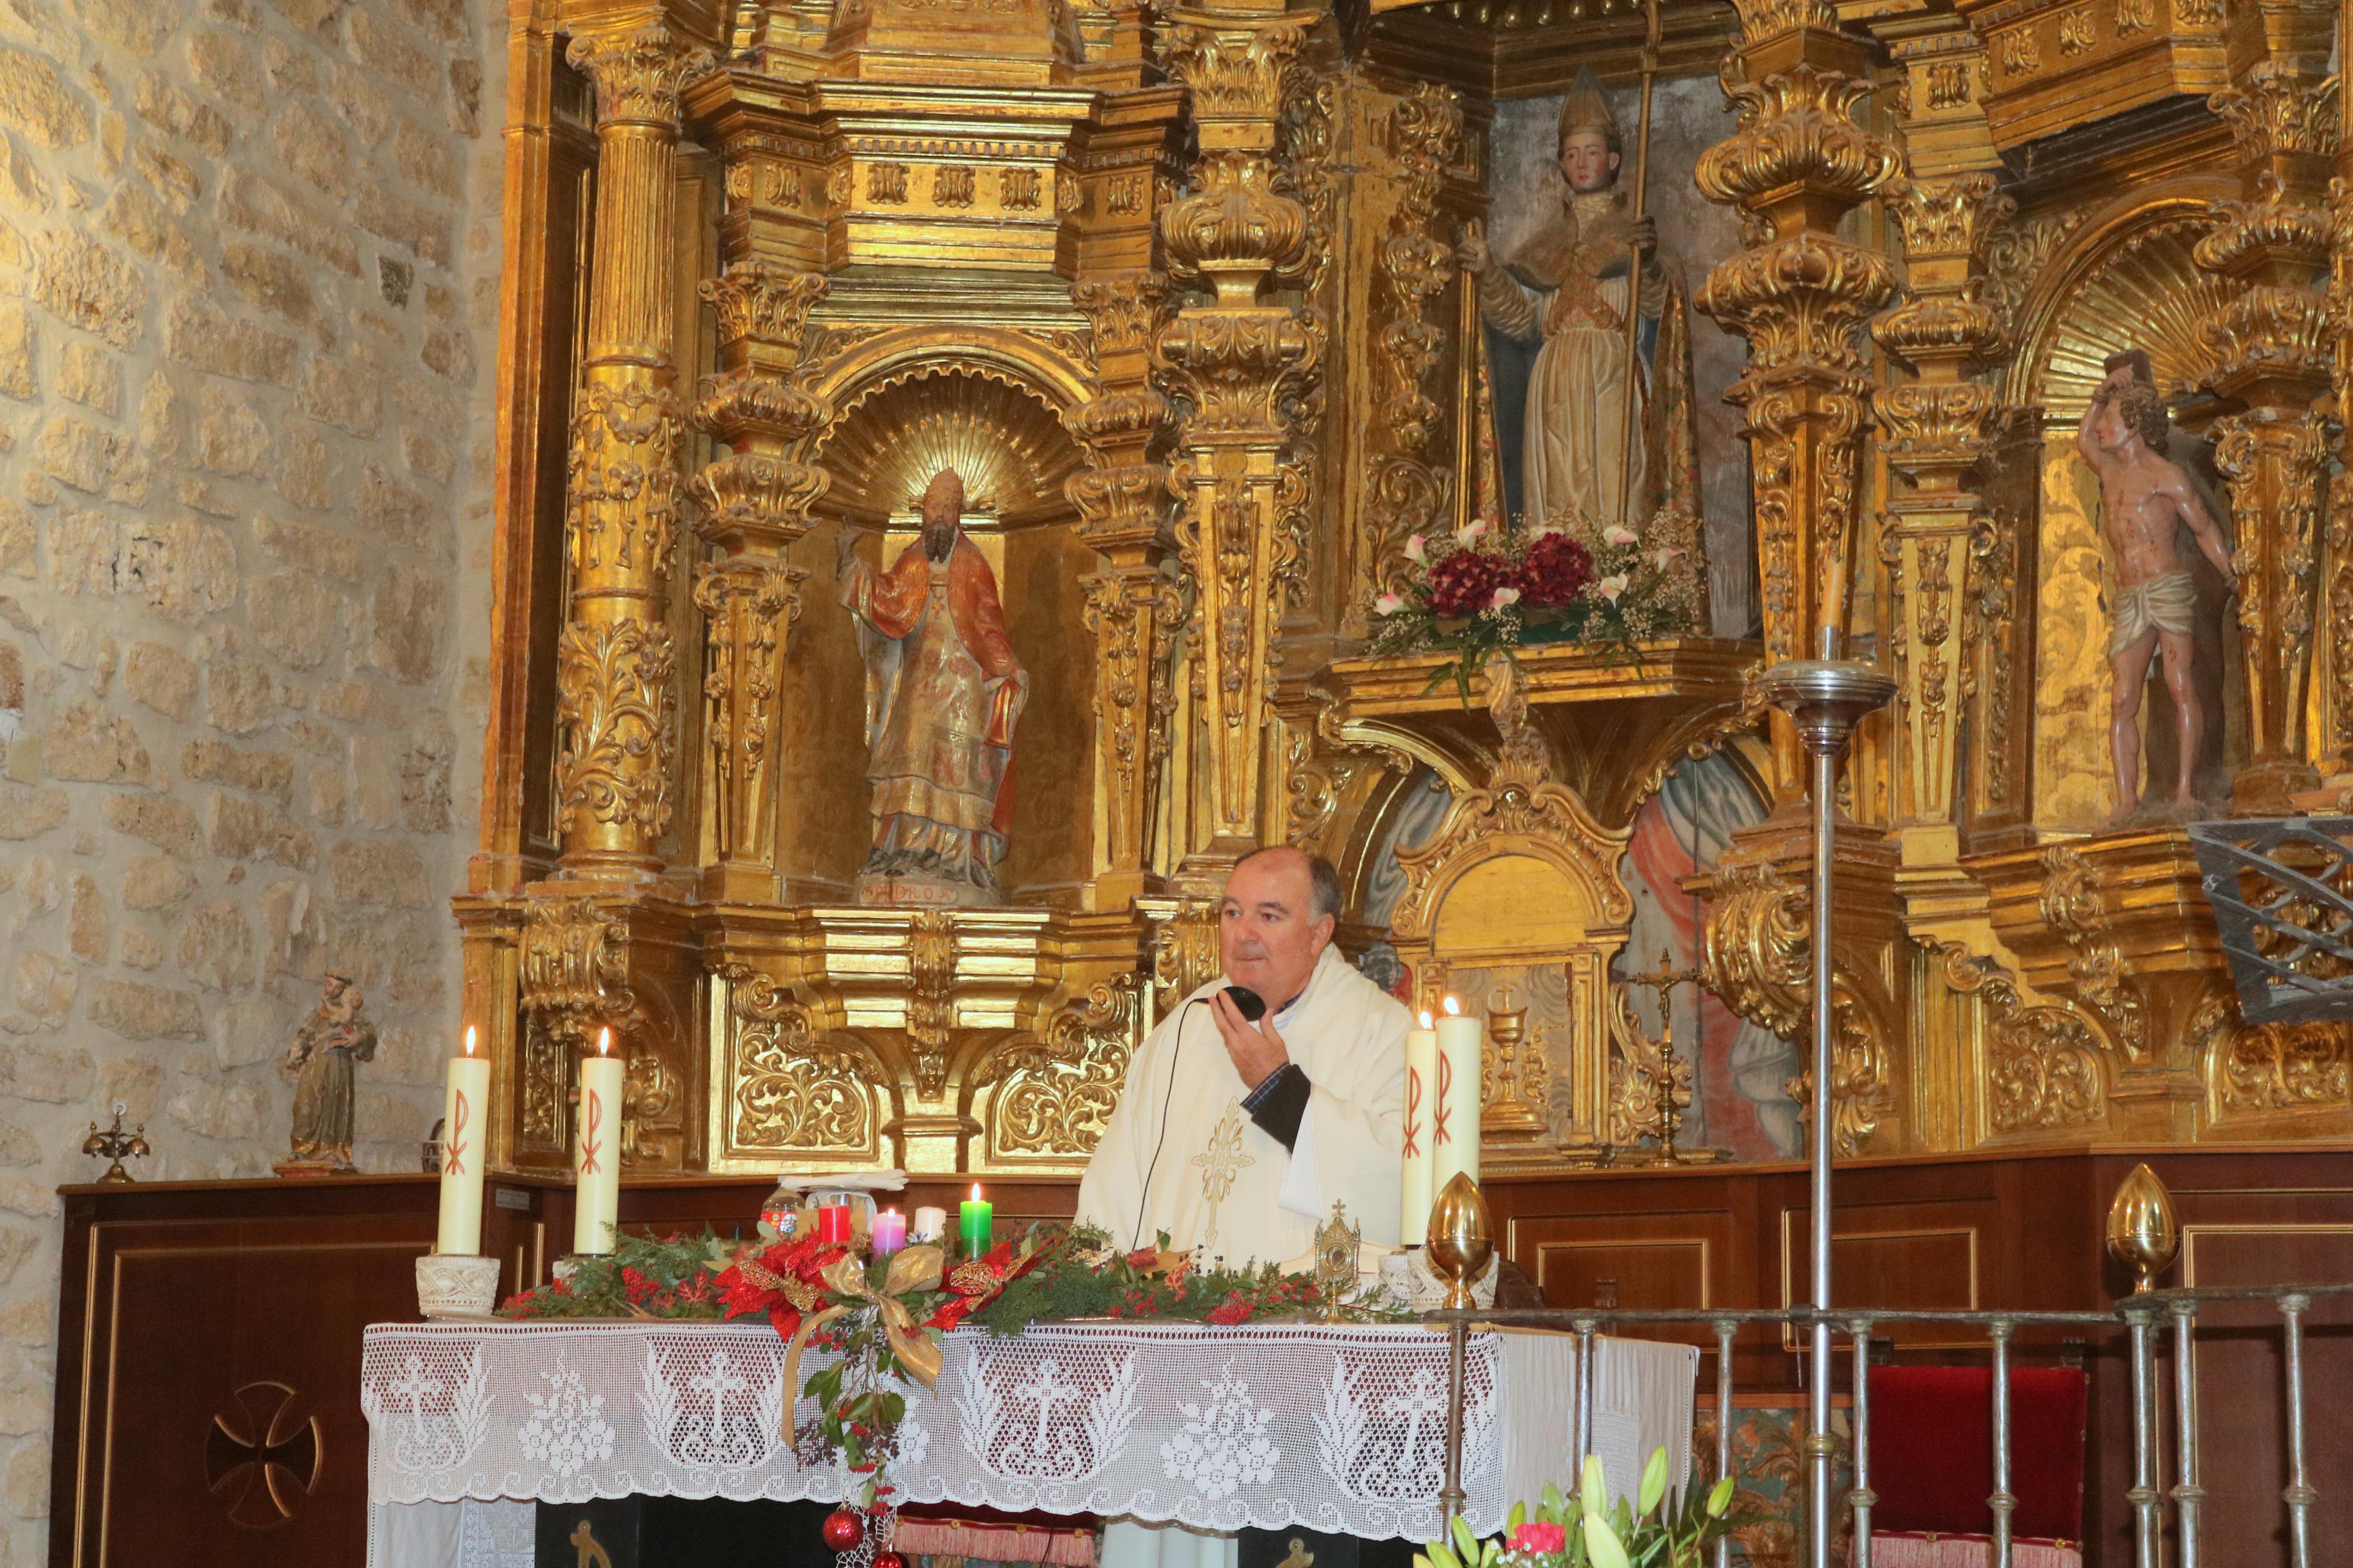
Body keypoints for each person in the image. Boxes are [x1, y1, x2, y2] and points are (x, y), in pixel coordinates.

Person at [1078, 846, 1411, 1568]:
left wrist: (1281, 1090)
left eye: (1269, 914)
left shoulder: (1381, 1031)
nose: (1243, 933)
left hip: (1293, 1377)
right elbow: (1116, 1177)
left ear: (1321, 933)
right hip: (1167, 1365)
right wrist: (1100, 1290)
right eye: (1231, 913)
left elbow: (1399, 1189)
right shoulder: (1181, 1029)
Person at [1459, 67, 1698, 533]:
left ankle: (1617, 584)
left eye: (1591, 152)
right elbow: (1522, 321)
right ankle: (1555, 580)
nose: (1581, 162)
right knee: (1555, 493)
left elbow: (1654, 307)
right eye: (1571, 154)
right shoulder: (1543, 245)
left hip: (1610, 367)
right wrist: (1488, 270)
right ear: (1562, 166)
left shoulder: (1633, 233)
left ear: (1612, 159)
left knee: (1613, 481)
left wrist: (1645, 262)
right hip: (1552, 376)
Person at [837, 467, 1028, 904]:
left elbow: (988, 625)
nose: (939, 515)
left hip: (963, 691)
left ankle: (956, 858)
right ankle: (904, 849)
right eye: (933, 506)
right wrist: (852, 566)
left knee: (960, 761)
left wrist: (1007, 667)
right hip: (920, 687)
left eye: (948, 507)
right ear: (922, 512)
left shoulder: (974, 564)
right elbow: (887, 601)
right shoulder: (912, 561)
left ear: (958, 513)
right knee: (911, 753)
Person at [2076, 354, 2236, 820]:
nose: (2102, 427)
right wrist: (2101, 394)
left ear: (2132, 425)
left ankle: (2185, 791)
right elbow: (2082, 438)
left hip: (2166, 586)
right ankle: (2126, 802)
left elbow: (2205, 529)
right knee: (2122, 697)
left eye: (2110, 419)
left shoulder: (2167, 476)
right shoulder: (2109, 472)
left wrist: (2229, 573)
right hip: (2129, 596)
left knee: (2178, 683)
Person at [279, 974, 377, 1171]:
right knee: (304, 1105)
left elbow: (368, 1035)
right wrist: (298, 1046)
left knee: (335, 1107)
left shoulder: (352, 1017)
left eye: (337, 987)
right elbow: (306, 1036)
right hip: (316, 1066)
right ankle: (301, 1149)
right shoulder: (318, 1016)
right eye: (329, 985)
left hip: (338, 1068)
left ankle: (333, 1149)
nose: (331, 990)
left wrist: (359, 1037)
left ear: (345, 991)